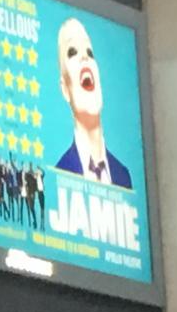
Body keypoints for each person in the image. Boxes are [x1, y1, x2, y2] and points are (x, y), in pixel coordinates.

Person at [53, 18, 133, 190]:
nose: (84, 57)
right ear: (65, 89)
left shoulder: (124, 175)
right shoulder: (59, 174)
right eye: (73, 52)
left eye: (90, 52)